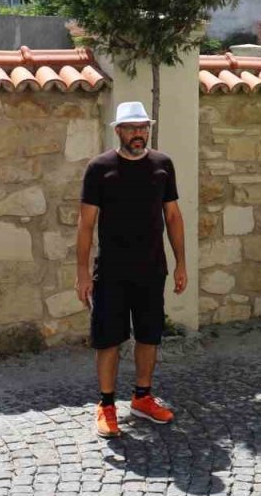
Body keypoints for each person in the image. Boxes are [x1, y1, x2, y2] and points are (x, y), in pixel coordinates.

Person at [77, 101, 188, 438]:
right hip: (111, 271)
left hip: (152, 269)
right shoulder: (99, 169)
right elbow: (85, 225)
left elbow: (173, 217)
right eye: (132, 128)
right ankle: (107, 405)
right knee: (108, 339)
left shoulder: (162, 165)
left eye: (143, 127)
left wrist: (181, 262)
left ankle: (142, 397)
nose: (139, 134)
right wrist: (82, 273)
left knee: (149, 335)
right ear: (118, 131)